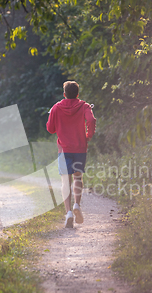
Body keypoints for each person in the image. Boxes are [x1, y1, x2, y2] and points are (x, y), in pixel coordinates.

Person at [46, 81, 96, 228]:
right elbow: (91, 120)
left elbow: (50, 129)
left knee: (65, 181)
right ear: (78, 93)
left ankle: (68, 213)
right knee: (78, 177)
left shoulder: (56, 107)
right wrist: (89, 135)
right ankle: (77, 205)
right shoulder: (84, 106)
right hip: (80, 147)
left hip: (64, 149)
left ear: (64, 94)